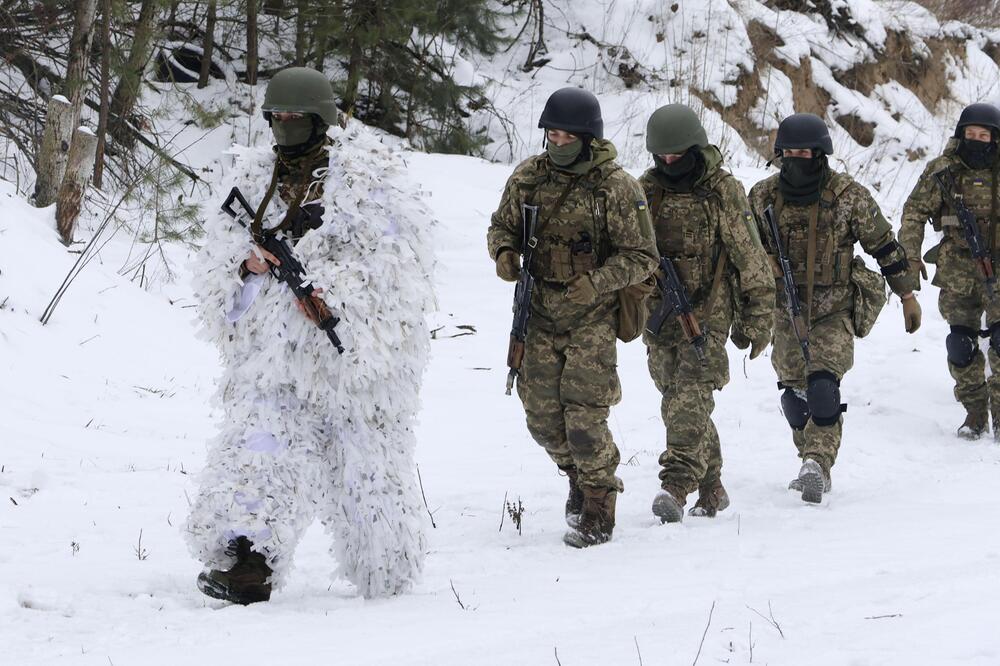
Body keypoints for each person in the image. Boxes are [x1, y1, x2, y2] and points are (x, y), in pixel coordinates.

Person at [185, 67, 435, 603]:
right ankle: (247, 564)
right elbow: (214, 266)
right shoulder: (253, 180)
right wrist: (248, 267)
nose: (286, 126)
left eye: (298, 118)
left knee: (367, 475)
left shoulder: (369, 179)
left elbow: (396, 269)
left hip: (356, 365)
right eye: (278, 118)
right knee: (256, 451)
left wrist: (325, 289)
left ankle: (385, 574)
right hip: (272, 360)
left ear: (321, 119)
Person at [487, 87, 658, 547]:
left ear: (586, 137)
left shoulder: (616, 186)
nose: (557, 142)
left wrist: (599, 282)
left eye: (565, 135)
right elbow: (500, 225)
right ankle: (577, 476)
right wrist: (503, 252)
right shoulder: (529, 177)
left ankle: (600, 500)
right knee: (541, 416)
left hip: (592, 318)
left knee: (584, 417)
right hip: (539, 313)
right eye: (551, 134)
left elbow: (643, 257)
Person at [748, 113, 920, 503]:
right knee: (795, 400)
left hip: (834, 312)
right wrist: (763, 268)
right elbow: (743, 251)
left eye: (804, 152)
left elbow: (884, 245)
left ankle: (817, 464)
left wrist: (907, 295)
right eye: (789, 152)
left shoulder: (848, 196)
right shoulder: (761, 197)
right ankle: (809, 456)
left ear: (820, 153)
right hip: (785, 312)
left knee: (823, 389)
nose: (796, 158)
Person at [639, 104, 774, 523]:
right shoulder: (648, 190)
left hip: (708, 318)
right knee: (676, 401)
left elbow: (751, 257)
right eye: (662, 157)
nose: (668, 163)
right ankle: (712, 486)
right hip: (659, 316)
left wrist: (759, 319)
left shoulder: (722, 191)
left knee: (689, 402)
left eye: (676, 156)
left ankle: (676, 486)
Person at [899, 103, 1000, 439]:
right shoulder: (943, 170)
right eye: (970, 134)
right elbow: (913, 213)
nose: (976, 140)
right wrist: (910, 258)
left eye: (983, 135)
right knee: (960, 343)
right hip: (957, 267)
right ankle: (974, 411)